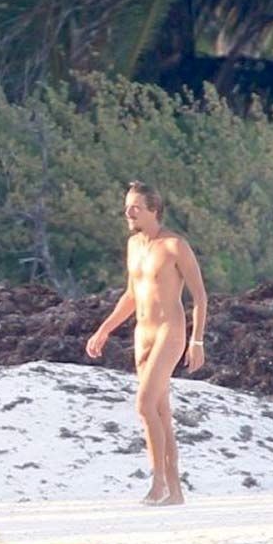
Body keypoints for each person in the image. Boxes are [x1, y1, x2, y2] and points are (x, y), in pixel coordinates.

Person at [86, 182, 207, 506]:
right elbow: (131, 295)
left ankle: (158, 483)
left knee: (144, 405)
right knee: (160, 411)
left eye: (135, 208)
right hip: (143, 333)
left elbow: (199, 296)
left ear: (153, 210)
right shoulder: (133, 245)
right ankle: (175, 491)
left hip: (170, 331)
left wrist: (197, 340)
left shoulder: (175, 246)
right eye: (127, 207)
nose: (128, 212)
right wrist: (104, 330)